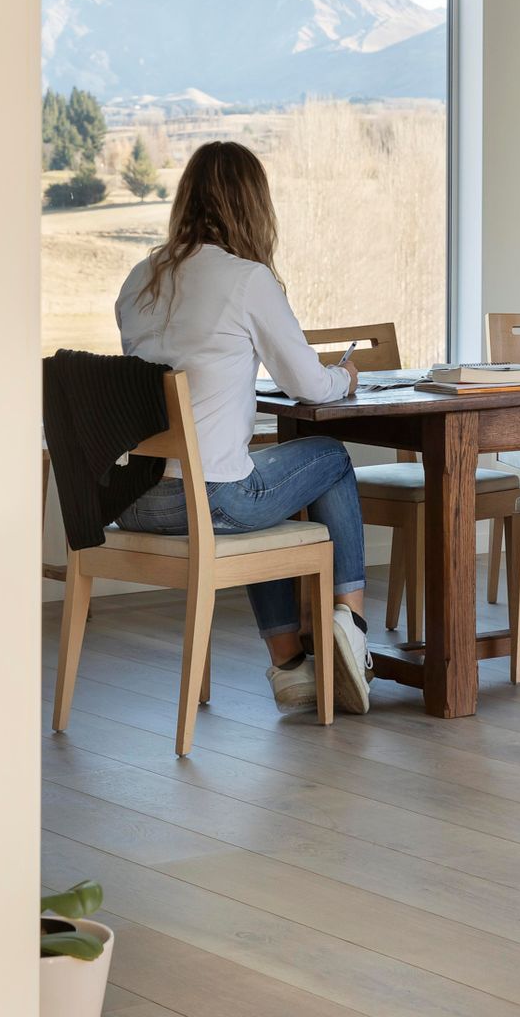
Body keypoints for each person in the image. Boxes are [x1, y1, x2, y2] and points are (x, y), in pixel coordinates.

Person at [114, 140, 373, 716]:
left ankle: (291, 665)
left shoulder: (138, 278)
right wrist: (346, 377)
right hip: (205, 498)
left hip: (132, 498)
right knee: (329, 456)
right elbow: (309, 385)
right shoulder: (245, 279)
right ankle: (351, 626)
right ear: (253, 206)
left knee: (259, 476)